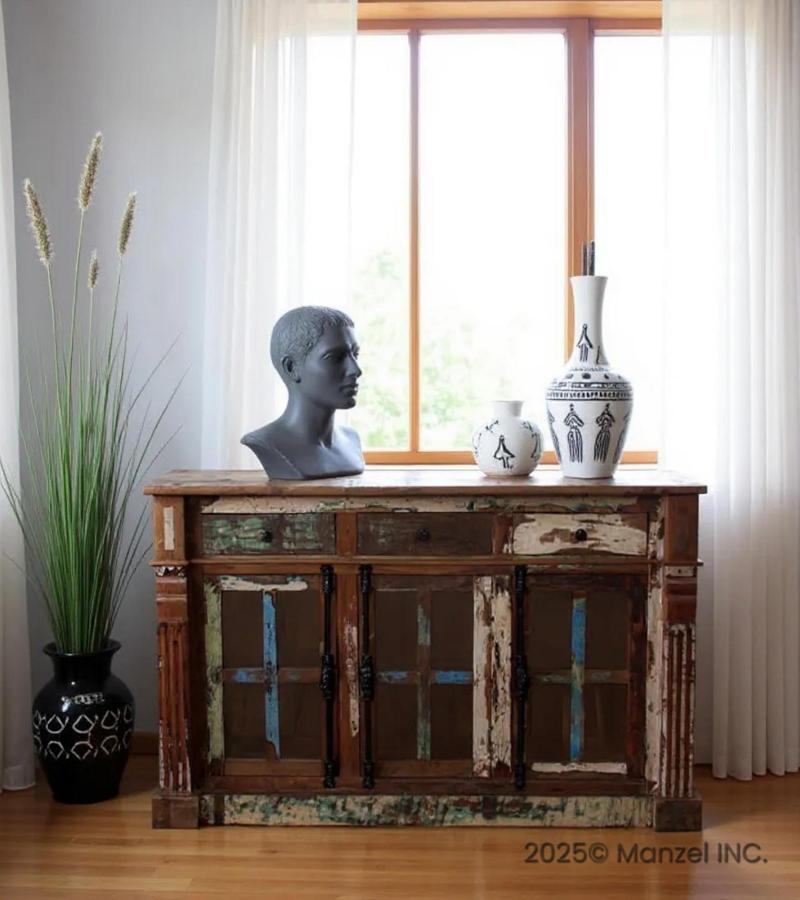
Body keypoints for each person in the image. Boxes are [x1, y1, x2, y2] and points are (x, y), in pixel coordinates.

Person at [241, 305, 365, 479]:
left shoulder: (351, 440)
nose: (356, 370)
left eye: (355, 354)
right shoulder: (267, 442)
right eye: (335, 358)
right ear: (292, 368)